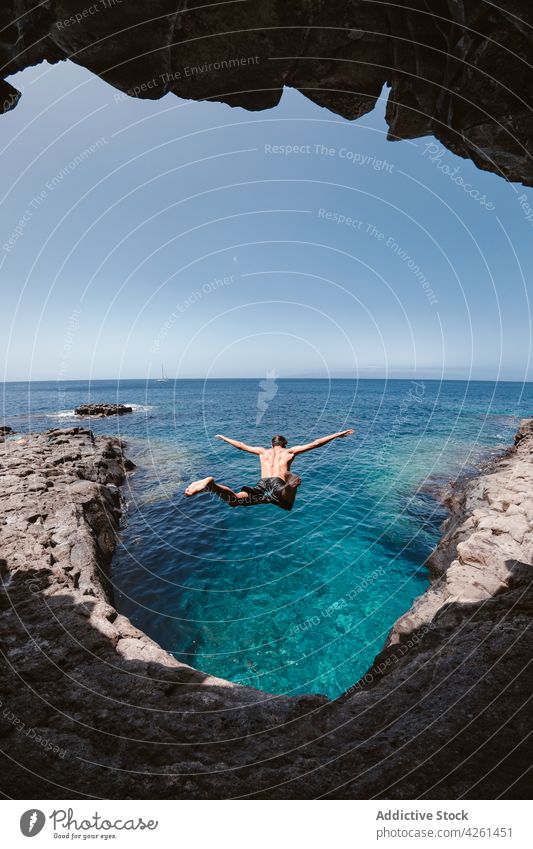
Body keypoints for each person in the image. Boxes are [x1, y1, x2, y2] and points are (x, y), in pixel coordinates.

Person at [184, 429, 354, 511]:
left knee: (234, 500)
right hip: (278, 484)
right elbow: (316, 443)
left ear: (272, 444)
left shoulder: (262, 452)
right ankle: (290, 483)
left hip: (261, 484)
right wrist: (337, 435)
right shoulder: (290, 452)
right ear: (284, 444)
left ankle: (211, 485)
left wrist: (223, 437)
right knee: (287, 504)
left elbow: (241, 446)